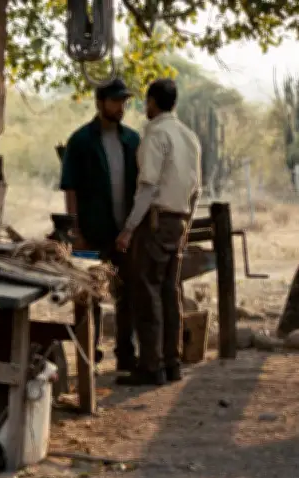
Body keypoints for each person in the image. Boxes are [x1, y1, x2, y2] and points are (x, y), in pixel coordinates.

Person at [115, 78, 202, 386]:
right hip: (178, 220)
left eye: (146, 102)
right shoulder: (189, 136)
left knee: (147, 291)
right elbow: (196, 188)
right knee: (170, 291)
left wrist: (129, 228)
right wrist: (186, 225)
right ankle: (171, 361)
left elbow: (148, 185)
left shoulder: (155, 134)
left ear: (152, 102)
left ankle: (151, 365)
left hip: (155, 220)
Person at [59, 78, 141, 374]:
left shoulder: (132, 140)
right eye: (115, 101)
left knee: (127, 294)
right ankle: (88, 354)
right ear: (100, 103)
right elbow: (70, 189)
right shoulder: (80, 141)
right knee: (89, 295)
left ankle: (125, 354)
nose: (121, 107)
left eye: (124, 102)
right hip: (92, 234)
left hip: (125, 234)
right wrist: (76, 231)